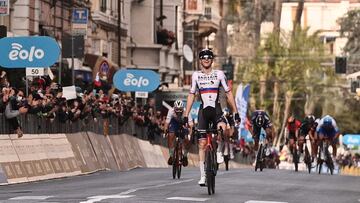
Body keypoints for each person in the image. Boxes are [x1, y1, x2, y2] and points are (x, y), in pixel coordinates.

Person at [183, 48, 240, 186]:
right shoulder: (196, 75)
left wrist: (236, 111)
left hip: (216, 110)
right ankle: (203, 175)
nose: (206, 59)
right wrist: (186, 114)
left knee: (221, 128)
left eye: (209, 57)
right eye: (203, 57)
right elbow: (191, 95)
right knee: (202, 144)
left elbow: (228, 93)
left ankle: (219, 150)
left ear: (212, 60)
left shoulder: (219, 74)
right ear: (200, 60)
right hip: (203, 111)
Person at [164, 100, 192, 167]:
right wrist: (165, 131)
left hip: (183, 123)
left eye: (180, 109)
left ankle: (185, 156)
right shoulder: (171, 111)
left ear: (183, 108)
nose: (179, 111)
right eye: (177, 109)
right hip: (174, 123)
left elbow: (191, 125)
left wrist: (189, 135)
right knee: (171, 135)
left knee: (186, 139)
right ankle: (171, 155)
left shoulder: (186, 112)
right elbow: (166, 123)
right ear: (174, 108)